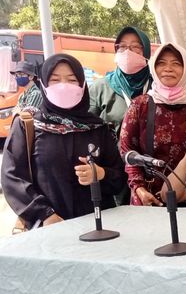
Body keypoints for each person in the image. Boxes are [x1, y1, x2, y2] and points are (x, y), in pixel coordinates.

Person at [1, 54, 126, 228]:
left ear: (82, 85)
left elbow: (119, 176)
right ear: (44, 84)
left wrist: (101, 174)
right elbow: (12, 177)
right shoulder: (28, 126)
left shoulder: (98, 128)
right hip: (49, 229)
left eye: (71, 80)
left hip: (99, 230)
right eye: (55, 80)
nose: (63, 86)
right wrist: (44, 214)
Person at [120, 42, 186, 206]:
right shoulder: (139, 106)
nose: (168, 68)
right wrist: (139, 189)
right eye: (161, 63)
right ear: (153, 67)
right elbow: (128, 152)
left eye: (176, 64)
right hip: (149, 200)